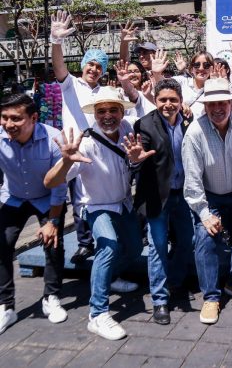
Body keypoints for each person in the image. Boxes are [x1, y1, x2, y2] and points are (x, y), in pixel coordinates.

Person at [44, 88, 146, 340]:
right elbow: (50, 181)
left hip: (123, 203)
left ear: (122, 112)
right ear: (95, 114)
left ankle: (109, 276)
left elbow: (156, 113)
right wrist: (66, 161)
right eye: (101, 111)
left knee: (134, 249)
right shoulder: (86, 143)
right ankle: (98, 314)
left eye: (113, 110)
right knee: (108, 246)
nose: (108, 116)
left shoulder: (128, 128)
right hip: (97, 205)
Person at [182, 78, 232, 325]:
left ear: (231, 104)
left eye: (222, 103)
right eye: (211, 104)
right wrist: (204, 214)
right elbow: (192, 181)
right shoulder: (195, 132)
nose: (217, 108)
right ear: (205, 107)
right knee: (205, 238)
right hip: (209, 195)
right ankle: (211, 297)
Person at [0, 94, 68, 334]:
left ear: (34, 118)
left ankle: (51, 296)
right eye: (4, 118)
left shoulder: (54, 140)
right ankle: (6, 305)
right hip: (14, 196)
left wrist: (53, 222)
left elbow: (59, 187)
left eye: (16, 118)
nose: (9, 124)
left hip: (47, 198)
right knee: (2, 244)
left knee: (53, 244)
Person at [132, 79, 194, 325]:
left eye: (173, 100)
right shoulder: (145, 124)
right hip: (157, 197)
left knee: (187, 240)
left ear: (181, 101)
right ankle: (159, 300)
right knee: (158, 247)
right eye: (163, 100)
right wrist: (136, 159)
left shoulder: (188, 121)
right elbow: (137, 155)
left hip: (184, 194)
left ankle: (174, 282)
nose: (168, 104)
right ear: (155, 101)